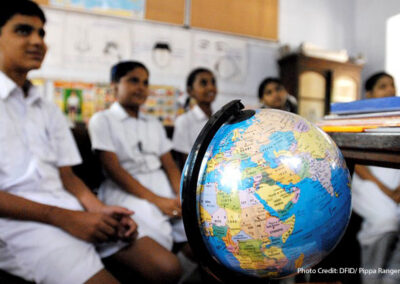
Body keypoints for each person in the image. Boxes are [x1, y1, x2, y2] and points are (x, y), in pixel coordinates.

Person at [0, 2, 180, 284]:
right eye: (23, 30)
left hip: (69, 209)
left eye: (42, 33)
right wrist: (62, 217)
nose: (37, 41)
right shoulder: (102, 120)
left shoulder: (46, 109)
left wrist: (98, 210)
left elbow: (68, 178)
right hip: (21, 223)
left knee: (168, 269)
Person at [88, 61, 191, 281]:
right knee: (165, 266)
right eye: (133, 80)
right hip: (127, 192)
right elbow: (114, 170)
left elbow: (170, 164)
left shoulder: (153, 123)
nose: (141, 87)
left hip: (163, 189)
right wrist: (157, 200)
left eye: (145, 82)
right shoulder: (102, 120)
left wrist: (180, 195)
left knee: (209, 238)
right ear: (114, 86)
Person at [351, 71, 400, 284]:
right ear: (369, 94)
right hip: (370, 182)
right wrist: (387, 190)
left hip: (396, 184)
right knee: (386, 220)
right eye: (383, 86)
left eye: (392, 85)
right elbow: (360, 166)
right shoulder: (357, 119)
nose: (390, 89)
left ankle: (390, 279)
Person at [172, 68, 217, 163]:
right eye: (203, 83)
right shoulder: (184, 121)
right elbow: (185, 162)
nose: (211, 88)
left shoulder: (221, 119)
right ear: (190, 91)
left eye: (213, 83)